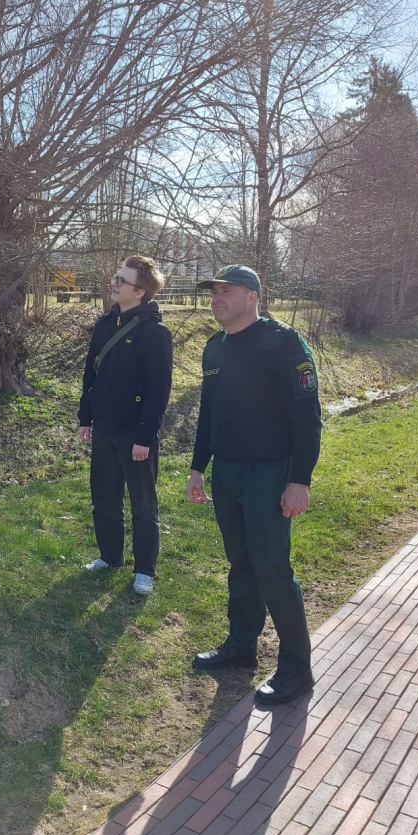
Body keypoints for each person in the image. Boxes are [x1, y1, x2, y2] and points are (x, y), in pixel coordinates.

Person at [187, 265, 322, 705]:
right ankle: (242, 646)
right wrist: (198, 467)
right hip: (227, 471)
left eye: (227, 290)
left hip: (269, 473)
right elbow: (209, 414)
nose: (217, 298)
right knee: (241, 562)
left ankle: (296, 667)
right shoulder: (214, 348)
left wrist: (300, 480)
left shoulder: (283, 343)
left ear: (252, 297)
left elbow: (307, 417)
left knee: (271, 567)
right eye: (214, 291)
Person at [78, 256, 173, 596]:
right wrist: (85, 418)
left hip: (136, 435)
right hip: (104, 428)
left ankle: (144, 570)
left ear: (140, 291)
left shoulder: (155, 333)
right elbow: (91, 373)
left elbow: (158, 389)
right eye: (115, 276)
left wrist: (145, 437)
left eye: (122, 280)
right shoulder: (105, 324)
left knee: (143, 505)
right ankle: (110, 557)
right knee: (104, 498)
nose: (114, 283)